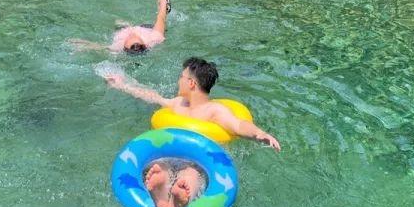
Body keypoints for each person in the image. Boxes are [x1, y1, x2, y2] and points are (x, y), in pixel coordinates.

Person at [103, 57, 282, 151]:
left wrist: (260, 134)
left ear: (191, 83)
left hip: (200, 158)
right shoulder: (178, 103)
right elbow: (154, 97)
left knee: (190, 173)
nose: (178, 81)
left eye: (181, 77)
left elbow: (238, 125)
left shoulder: (214, 110)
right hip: (173, 152)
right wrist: (123, 85)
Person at [71, 0, 171, 54]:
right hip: (145, 29)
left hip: (123, 32)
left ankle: (126, 26)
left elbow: (99, 47)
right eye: (134, 37)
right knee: (162, 26)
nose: (131, 34)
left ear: (124, 47)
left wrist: (83, 44)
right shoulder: (155, 38)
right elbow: (161, 17)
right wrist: (163, 1)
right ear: (145, 44)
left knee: (119, 23)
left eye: (129, 38)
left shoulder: (117, 47)